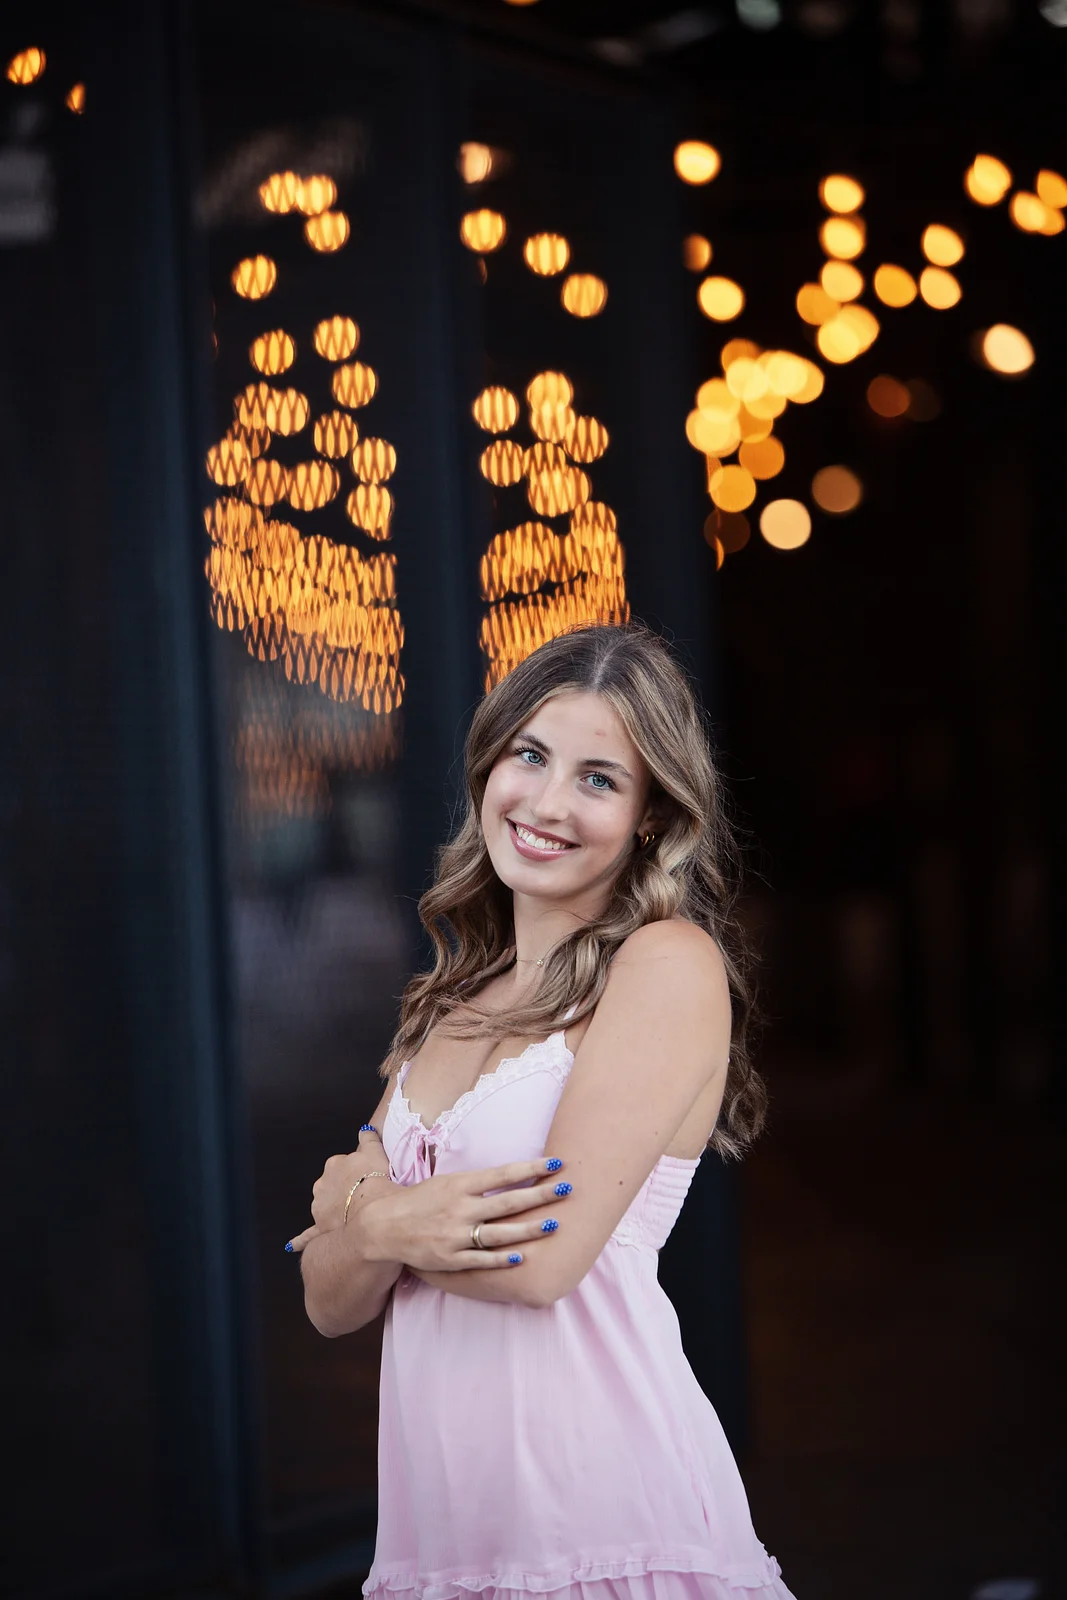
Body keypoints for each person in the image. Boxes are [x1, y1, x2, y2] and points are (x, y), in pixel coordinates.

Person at [290, 622, 795, 1600]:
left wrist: (372, 1221)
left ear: (649, 816)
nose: (548, 801)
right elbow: (326, 1299)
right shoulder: (444, 1004)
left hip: (603, 1522)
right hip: (443, 1542)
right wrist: (373, 1237)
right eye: (529, 755)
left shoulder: (664, 964)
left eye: (598, 778)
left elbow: (540, 1264)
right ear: (489, 765)